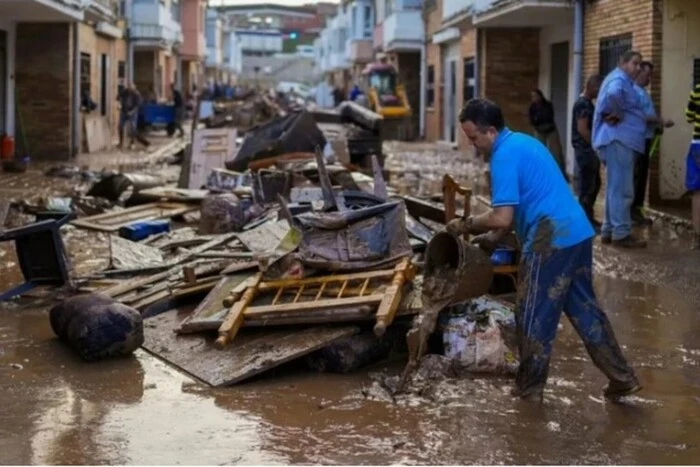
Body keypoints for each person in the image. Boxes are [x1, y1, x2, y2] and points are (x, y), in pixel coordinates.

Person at [448, 98, 640, 402]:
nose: (473, 145)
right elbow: (521, 207)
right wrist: (493, 239)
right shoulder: (525, 142)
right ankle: (622, 378)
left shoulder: (503, 157)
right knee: (585, 310)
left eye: (474, 138)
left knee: (532, 313)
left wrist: (467, 224)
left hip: (550, 237)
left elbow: (502, 216)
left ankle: (529, 390)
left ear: (491, 132)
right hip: (576, 232)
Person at [593, 50, 647, 248]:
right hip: (618, 140)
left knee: (614, 188)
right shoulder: (619, 80)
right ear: (622, 63)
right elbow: (614, 94)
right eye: (635, 63)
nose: (638, 68)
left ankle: (609, 229)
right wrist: (618, 112)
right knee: (623, 189)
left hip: (617, 140)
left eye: (640, 64)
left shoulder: (619, 79)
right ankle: (621, 233)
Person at [633, 61, 674, 225]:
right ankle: (633, 213)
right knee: (637, 178)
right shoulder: (634, 93)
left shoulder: (643, 92)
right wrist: (660, 121)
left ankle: (637, 211)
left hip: (647, 138)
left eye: (651, 75)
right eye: (646, 75)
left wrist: (657, 125)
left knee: (642, 177)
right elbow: (640, 116)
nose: (649, 79)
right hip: (639, 141)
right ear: (638, 73)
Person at [571, 75, 602, 227]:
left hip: (585, 150)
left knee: (593, 183)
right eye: (597, 89)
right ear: (591, 87)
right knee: (589, 185)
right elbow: (582, 129)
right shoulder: (583, 105)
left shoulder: (586, 103)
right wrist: (595, 145)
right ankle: (584, 220)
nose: (598, 93)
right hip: (585, 150)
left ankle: (587, 217)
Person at [529, 89, 566, 177]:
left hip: (550, 129)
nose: (534, 98)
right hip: (539, 130)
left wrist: (538, 118)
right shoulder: (532, 107)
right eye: (532, 97)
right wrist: (537, 120)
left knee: (556, 152)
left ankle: (560, 173)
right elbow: (532, 120)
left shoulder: (547, 105)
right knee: (539, 151)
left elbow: (548, 117)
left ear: (540, 96)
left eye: (535, 96)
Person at [684, 82, 700, 250]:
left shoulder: (697, 89)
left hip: (698, 144)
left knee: (697, 192)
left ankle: (697, 235)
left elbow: (688, 115)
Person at [117, 82, 143, 149]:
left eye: (131, 88)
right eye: (128, 88)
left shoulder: (137, 94)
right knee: (120, 126)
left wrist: (132, 112)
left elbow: (137, 106)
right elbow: (118, 97)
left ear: (134, 88)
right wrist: (119, 104)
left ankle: (132, 143)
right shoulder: (125, 92)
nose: (129, 89)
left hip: (133, 111)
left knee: (133, 127)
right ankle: (121, 142)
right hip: (124, 111)